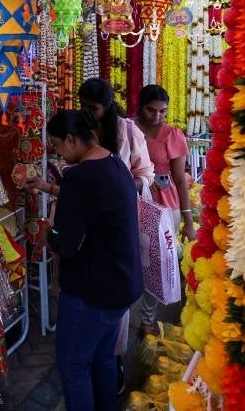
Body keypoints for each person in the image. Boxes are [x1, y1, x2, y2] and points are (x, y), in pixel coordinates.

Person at [28, 110, 143, 411]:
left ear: (72, 139)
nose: (58, 154)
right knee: (103, 357)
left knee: (73, 367)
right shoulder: (113, 162)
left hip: (93, 291)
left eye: (57, 145)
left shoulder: (81, 176)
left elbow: (65, 242)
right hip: (121, 283)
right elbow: (89, 205)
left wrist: (44, 234)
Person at [78, 77, 153, 392]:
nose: (88, 112)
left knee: (116, 296)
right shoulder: (82, 129)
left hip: (121, 223)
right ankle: (95, 356)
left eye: (92, 107)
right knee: (90, 291)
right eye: (84, 106)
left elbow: (145, 175)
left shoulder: (129, 132)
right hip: (88, 226)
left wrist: (116, 188)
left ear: (107, 106)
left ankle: (115, 358)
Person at [135, 84, 195, 334]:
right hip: (133, 201)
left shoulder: (173, 135)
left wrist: (188, 220)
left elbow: (180, 180)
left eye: (163, 112)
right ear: (140, 106)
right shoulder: (128, 128)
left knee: (157, 263)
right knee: (131, 257)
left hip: (163, 206)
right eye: (151, 110)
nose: (157, 116)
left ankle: (147, 320)